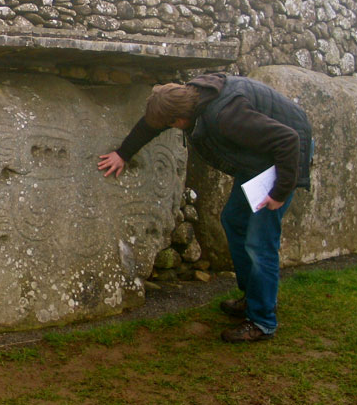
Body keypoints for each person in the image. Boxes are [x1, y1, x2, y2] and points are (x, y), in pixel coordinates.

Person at [98, 73, 312, 343]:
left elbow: (289, 140)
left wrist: (280, 192)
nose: (169, 128)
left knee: (260, 241)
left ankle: (262, 321)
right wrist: (123, 153)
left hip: (285, 159)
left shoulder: (226, 117)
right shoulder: (190, 98)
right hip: (260, 158)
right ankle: (253, 298)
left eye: (171, 125)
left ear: (180, 121)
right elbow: (151, 125)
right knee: (234, 220)